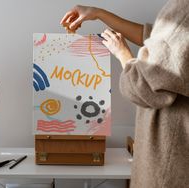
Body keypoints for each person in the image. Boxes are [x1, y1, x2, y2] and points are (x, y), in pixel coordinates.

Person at [60, 1, 189, 188]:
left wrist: (122, 54)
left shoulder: (184, 7)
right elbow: (164, 45)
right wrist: (98, 13)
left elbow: (145, 86)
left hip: (170, 157)